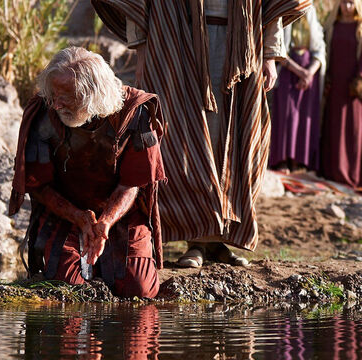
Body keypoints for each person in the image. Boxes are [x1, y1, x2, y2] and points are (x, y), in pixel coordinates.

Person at [91, 0, 311, 268]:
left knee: (230, 137)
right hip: (177, 43)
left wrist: (270, 55)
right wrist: (143, 52)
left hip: (242, 44)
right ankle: (196, 241)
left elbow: (272, 5)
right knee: (186, 138)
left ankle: (217, 240)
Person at [8, 47, 166, 298]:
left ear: (93, 96)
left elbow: (132, 183)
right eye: (54, 94)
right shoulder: (44, 112)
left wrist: (105, 222)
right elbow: (37, 184)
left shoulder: (134, 114)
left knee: (140, 291)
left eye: (67, 96)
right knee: (67, 291)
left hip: (122, 217)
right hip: (64, 215)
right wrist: (79, 218)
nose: (57, 103)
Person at [269, 6, 326, 173]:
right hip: (288, 71)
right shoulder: (284, 11)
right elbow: (279, 47)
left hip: (309, 74)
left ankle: (298, 160)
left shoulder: (312, 13)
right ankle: (282, 160)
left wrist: (309, 73)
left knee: (304, 117)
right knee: (286, 116)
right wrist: (300, 72)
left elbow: (319, 49)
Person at [320, 0, 362, 189]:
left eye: (351, 3)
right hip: (334, 84)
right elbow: (325, 51)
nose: (347, 7)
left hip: (353, 87)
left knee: (353, 129)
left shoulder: (360, 28)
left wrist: (359, 79)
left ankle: (352, 174)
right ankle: (333, 171)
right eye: (344, 2)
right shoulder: (331, 27)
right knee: (334, 126)